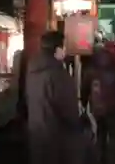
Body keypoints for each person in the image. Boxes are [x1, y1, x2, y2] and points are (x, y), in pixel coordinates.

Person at [26, 31, 81, 164]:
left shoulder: (32, 69)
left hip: (36, 131)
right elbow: (69, 110)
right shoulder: (58, 74)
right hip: (56, 135)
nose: (66, 50)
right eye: (64, 47)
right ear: (57, 49)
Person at [81, 48, 115, 164]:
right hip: (113, 107)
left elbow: (84, 88)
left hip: (97, 107)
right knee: (114, 136)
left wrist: (84, 103)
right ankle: (114, 160)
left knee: (100, 134)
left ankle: (100, 159)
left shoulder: (90, 70)